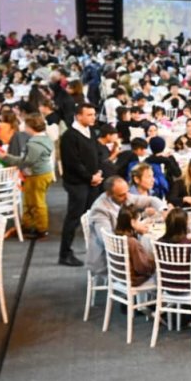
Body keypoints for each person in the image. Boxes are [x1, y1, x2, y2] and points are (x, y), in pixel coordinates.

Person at [85, 176, 165, 276]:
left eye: (127, 192)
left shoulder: (125, 196)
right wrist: (134, 227)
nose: (127, 197)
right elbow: (108, 241)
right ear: (109, 194)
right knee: (159, 268)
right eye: (121, 195)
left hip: (125, 253)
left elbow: (151, 200)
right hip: (109, 260)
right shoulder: (100, 209)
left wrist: (164, 210)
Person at [58, 103, 105, 267]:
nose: (93, 117)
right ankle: (65, 253)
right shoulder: (69, 136)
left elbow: (97, 154)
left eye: (94, 114)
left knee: (92, 216)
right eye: (89, 115)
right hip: (77, 183)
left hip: (92, 181)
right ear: (79, 116)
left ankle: (95, 250)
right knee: (73, 218)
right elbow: (73, 163)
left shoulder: (90, 131)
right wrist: (89, 177)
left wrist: (98, 172)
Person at [0, 113, 54, 239]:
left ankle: (41, 229)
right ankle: (29, 225)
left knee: (37, 202)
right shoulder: (45, 139)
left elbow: (26, 161)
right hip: (42, 174)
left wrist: (6, 157)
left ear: (30, 127)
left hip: (37, 175)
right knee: (30, 200)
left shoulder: (33, 144)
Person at [155, 208, 191, 294]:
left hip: (167, 285)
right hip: (187, 286)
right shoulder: (189, 245)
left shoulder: (159, 242)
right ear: (184, 225)